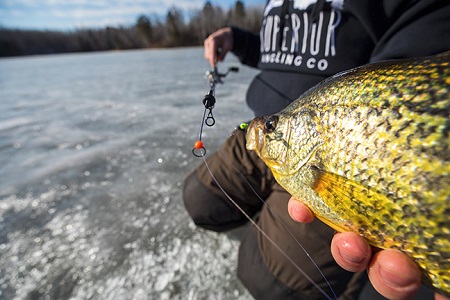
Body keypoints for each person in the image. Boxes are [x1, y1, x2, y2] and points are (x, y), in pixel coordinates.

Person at [183, 1, 450, 299]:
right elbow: (285, 54)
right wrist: (238, 40)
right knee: (200, 199)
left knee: (270, 281)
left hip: (342, 153)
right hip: (273, 126)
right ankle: (267, 208)